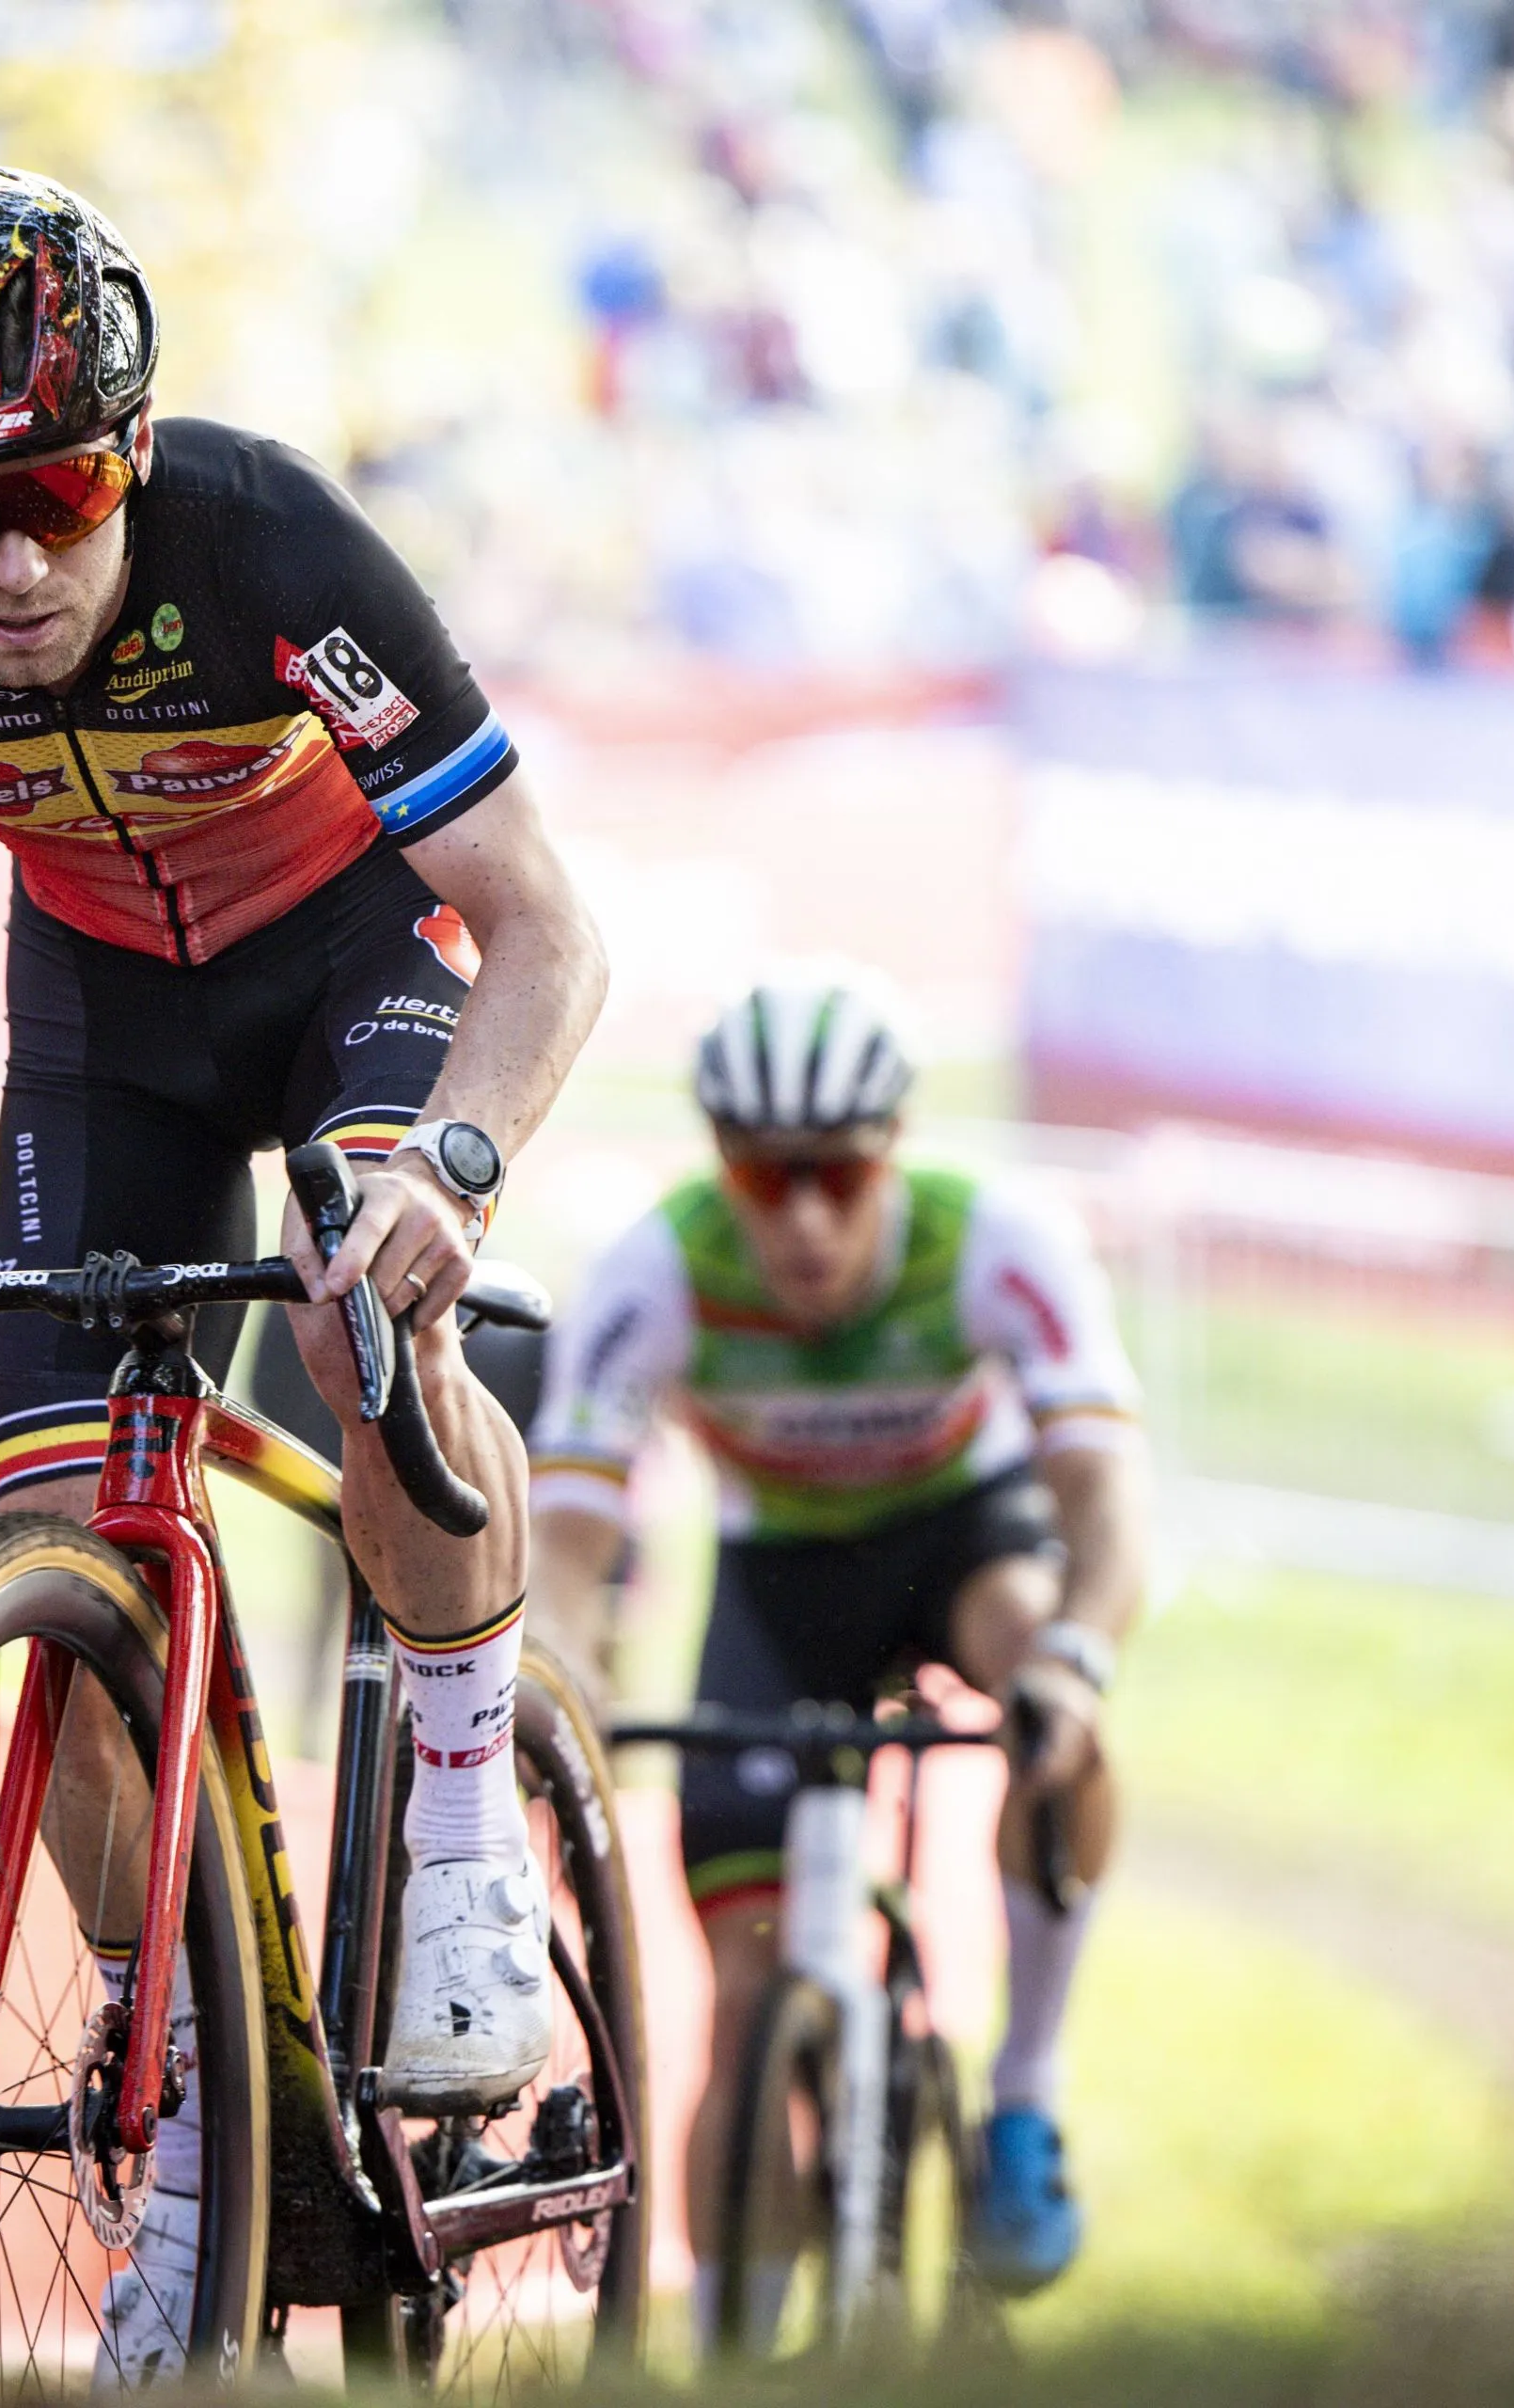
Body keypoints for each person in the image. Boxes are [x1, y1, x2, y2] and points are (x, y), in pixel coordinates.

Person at [0, 167, 607, 2380]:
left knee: (366, 1311)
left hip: (362, 963)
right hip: (99, 1029)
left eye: (61, 496)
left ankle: (462, 1828)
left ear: (138, 453)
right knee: (64, 1555)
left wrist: (456, 1166)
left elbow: (543, 924)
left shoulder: (271, 547)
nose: (10, 564)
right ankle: (193, 2128)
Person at [524, 973, 1150, 2308]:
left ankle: (1025, 2094)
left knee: (1043, 1662)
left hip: (960, 1543)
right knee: (744, 2002)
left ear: (894, 1153)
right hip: (781, 1584)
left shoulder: (992, 1242)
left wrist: (1074, 1664)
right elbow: (566, 1546)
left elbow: (1105, 1505)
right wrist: (559, 1683)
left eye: (839, 1174)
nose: (804, 1216)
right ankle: (732, 2345)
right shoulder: (656, 1270)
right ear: (721, 1165)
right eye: (765, 1177)